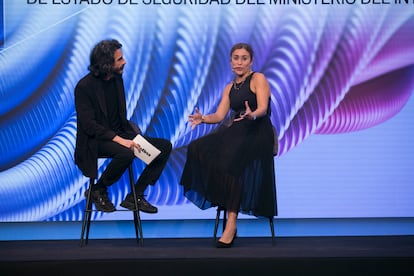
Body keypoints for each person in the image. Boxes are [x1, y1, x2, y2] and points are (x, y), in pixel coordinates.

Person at [180, 43, 277, 248]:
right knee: (197, 147)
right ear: (230, 61)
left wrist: (252, 115)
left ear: (251, 61)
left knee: (230, 162)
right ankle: (225, 200)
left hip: (258, 131)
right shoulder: (229, 88)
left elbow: (263, 108)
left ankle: (231, 224)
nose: (239, 62)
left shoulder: (258, 78)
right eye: (236, 58)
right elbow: (219, 115)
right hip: (237, 131)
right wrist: (203, 118)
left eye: (244, 58)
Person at [74, 39, 172, 213]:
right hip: (95, 141)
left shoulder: (116, 79)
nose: (124, 61)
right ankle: (99, 189)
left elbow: (119, 118)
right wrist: (122, 141)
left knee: (163, 148)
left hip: (120, 134)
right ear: (106, 63)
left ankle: (136, 196)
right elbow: (89, 126)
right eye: (119, 59)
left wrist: (131, 135)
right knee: (127, 152)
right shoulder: (84, 87)